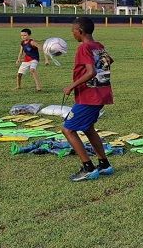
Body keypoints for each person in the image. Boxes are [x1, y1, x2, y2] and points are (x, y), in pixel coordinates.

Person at [61, 17, 115, 182]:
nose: (73, 34)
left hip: (89, 96)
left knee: (68, 129)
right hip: (101, 93)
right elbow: (109, 60)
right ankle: (104, 164)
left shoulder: (83, 47)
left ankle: (88, 168)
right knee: (88, 128)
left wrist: (71, 86)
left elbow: (91, 72)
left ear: (80, 31)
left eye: (73, 31)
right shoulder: (98, 46)